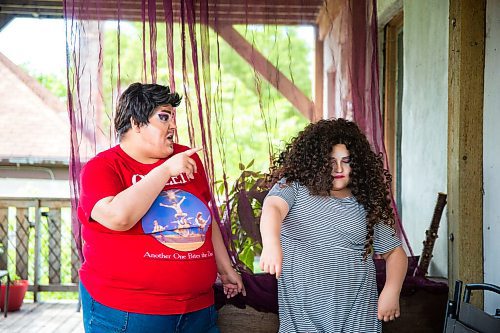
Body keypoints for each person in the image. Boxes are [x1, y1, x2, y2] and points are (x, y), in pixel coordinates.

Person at [78, 82, 245, 333]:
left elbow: (203, 220)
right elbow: (118, 217)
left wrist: (225, 268)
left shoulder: (186, 159)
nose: (173, 126)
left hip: (198, 310)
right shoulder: (102, 167)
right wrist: (165, 171)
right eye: (164, 117)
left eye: (173, 118)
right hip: (128, 313)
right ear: (136, 123)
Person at [259, 118, 408, 333]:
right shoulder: (294, 187)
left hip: (358, 320)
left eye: (346, 161)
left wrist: (391, 291)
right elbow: (272, 207)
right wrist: (271, 243)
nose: (338, 168)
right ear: (314, 161)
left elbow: (395, 253)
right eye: (330, 161)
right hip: (303, 323)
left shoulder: (367, 202)